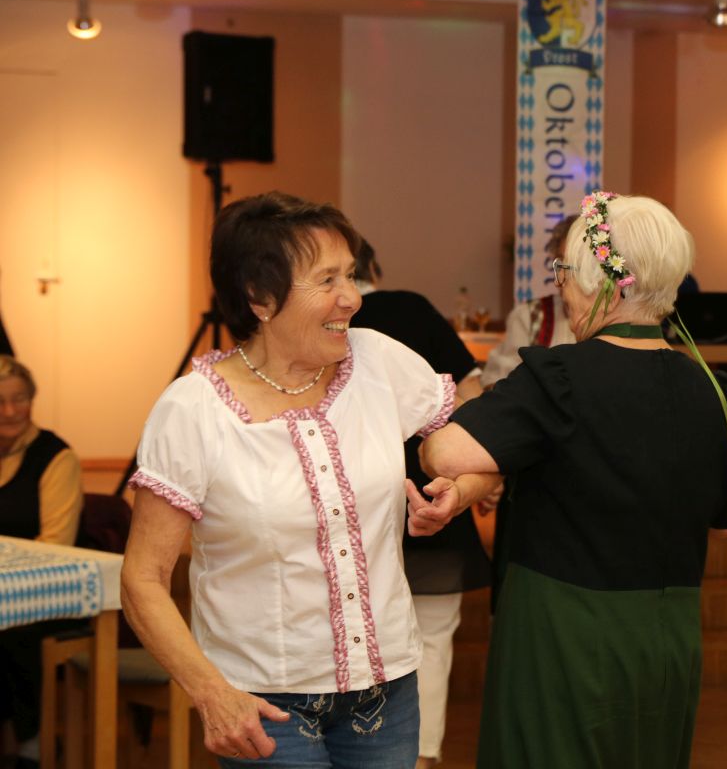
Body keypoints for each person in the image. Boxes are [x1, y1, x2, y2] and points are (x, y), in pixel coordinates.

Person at [120, 192, 498, 767]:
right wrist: (211, 693)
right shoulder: (193, 410)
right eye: (327, 281)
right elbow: (143, 579)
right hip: (264, 703)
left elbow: (484, 445)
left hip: (387, 690)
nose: (352, 297)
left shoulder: (378, 362)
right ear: (260, 298)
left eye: (350, 274)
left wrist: (460, 493)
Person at [411, 193, 727, 767]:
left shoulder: (559, 378)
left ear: (608, 285)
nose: (563, 289)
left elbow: (442, 453)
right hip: (667, 636)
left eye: (566, 274)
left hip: (563, 630)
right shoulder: (720, 394)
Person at [352, 239, 490, 769]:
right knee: (431, 635)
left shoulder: (307, 326)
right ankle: (422, 755)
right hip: (431, 490)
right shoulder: (408, 307)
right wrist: (477, 473)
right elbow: (472, 394)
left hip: (354, 501)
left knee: (358, 633)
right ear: (374, 267)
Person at [0, 355, 85, 767]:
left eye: (19, 399)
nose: (9, 411)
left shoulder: (55, 456)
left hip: (49, 595)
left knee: (10, 630)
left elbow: (56, 545)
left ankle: (30, 744)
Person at [479, 215, 577, 389]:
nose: (564, 275)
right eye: (561, 264)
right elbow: (496, 382)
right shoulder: (530, 315)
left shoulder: (612, 318)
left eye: (575, 265)